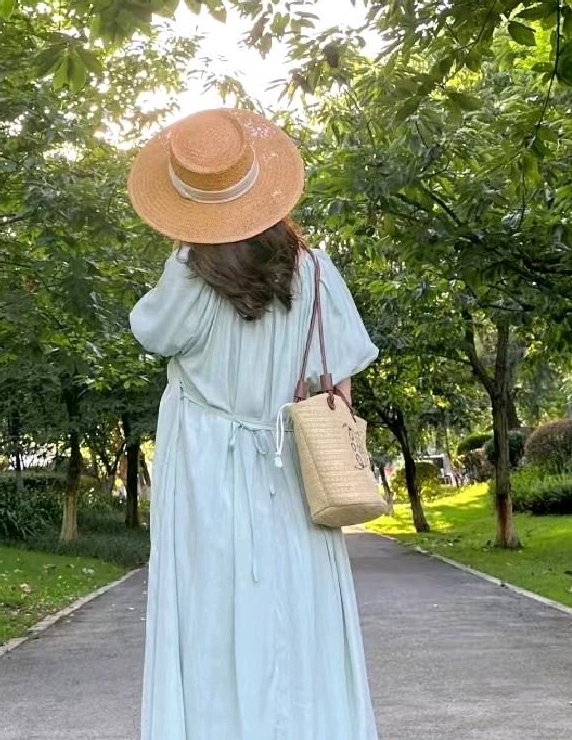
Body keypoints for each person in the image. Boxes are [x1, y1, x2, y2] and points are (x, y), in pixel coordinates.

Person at [127, 107, 380, 740]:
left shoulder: (189, 273)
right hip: (292, 463)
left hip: (204, 471)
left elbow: (151, 331)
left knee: (210, 617)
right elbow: (339, 380)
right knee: (300, 611)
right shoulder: (315, 270)